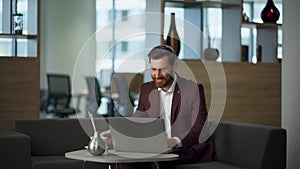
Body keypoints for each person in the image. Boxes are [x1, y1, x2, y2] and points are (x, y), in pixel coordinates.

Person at [101, 45, 213, 169]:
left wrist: (173, 141)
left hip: (184, 149)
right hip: (154, 149)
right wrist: (116, 133)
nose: (157, 75)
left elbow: (198, 128)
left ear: (174, 66)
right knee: (125, 161)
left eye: (162, 69)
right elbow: (138, 120)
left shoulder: (193, 90)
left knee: (162, 162)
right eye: (153, 69)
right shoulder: (147, 89)